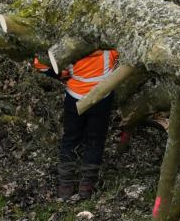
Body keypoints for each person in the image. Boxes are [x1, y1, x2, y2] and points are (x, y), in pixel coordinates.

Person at [33, 50, 119, 200]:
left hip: (75, 97)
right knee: (95, 140)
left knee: (70, 138)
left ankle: (65, 184)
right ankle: (87, 184)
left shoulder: (70, 48)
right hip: (101, 98)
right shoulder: (108, 47)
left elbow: (40, 63)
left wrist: (61, 74)